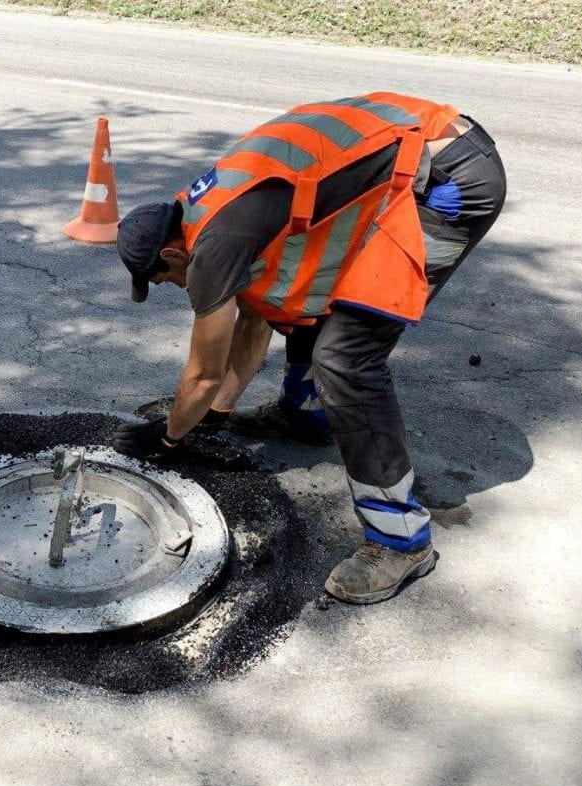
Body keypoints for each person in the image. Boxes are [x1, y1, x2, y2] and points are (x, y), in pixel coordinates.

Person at [113, 91, 506, 605]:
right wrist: (215, 417)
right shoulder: (206, 208)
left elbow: (203, 373)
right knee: (296, 291)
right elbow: (255, 316)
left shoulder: (213, 246)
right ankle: (305, 415)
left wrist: (169, 440)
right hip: (419, 151)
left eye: (162, 278)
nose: (169, 286)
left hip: (450, 185)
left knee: (347, 358)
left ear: (171, 252)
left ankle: (400, 540)